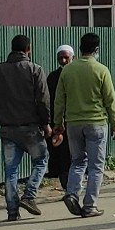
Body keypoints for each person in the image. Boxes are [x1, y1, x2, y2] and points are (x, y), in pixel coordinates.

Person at [0, 34, 53, 222]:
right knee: (41, 160)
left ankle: (12, 211)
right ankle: (29, 196)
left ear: (12, 48)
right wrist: (46, 123)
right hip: (30, 128)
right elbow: (43, 100)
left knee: (11, 170)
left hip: (7, 129)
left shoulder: (0, 69)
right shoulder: (35, 69)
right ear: (28, 49)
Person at [54, 31, 115, 218]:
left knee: (77, 161)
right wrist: (114, 123)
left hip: (73, 123)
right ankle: (90, 205)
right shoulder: (101, 70)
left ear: (80, 48)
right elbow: (110, 100)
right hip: (96, 122)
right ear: (96, 49)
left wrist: (58, 123)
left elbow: (59, 100)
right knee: (96, 166)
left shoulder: (67, 71)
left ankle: (72, 193)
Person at [45, 44, 74, 179]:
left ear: (73, 57)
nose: (63, 61)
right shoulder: (53, 77)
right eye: (60, 58)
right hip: (57, 119)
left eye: (66, 58)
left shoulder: (76, 75)